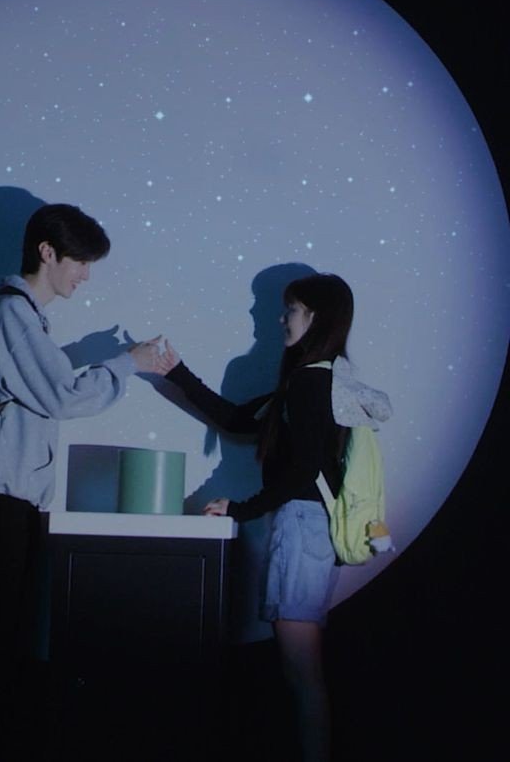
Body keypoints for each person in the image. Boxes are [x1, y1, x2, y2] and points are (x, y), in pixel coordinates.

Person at [0, 203, 161, 761]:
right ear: (47, 252)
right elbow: (63, 396)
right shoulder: (11, 315)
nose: (85, 275)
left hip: (1, 505)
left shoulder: (19, 318)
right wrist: (128, 362)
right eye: (80, 261)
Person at [157, 273, 391, 762]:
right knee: (302, 673)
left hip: (302, 527)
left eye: (292, 309)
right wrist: (176, 371)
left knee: (302, 672)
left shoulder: (309, 383)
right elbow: (239, 420)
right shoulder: (324, 380)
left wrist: (241, 508)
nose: (281, 318)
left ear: (317, 317)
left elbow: (303, 468)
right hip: (312, 530)